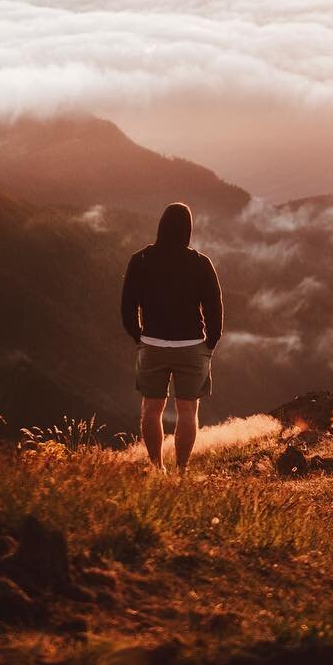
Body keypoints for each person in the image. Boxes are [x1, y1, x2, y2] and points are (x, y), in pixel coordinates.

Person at [120, 202, 223, 473]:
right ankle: (182, 470)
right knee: (188, 410)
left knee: (151, 408)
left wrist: (139, 336)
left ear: (161, 226)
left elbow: (127, 306)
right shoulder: (200, 263)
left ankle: (156, 468)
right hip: (191, 346)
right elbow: (214, 306)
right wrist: (210, 342)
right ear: (188, 229)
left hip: (152, 344)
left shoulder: (140, 260)